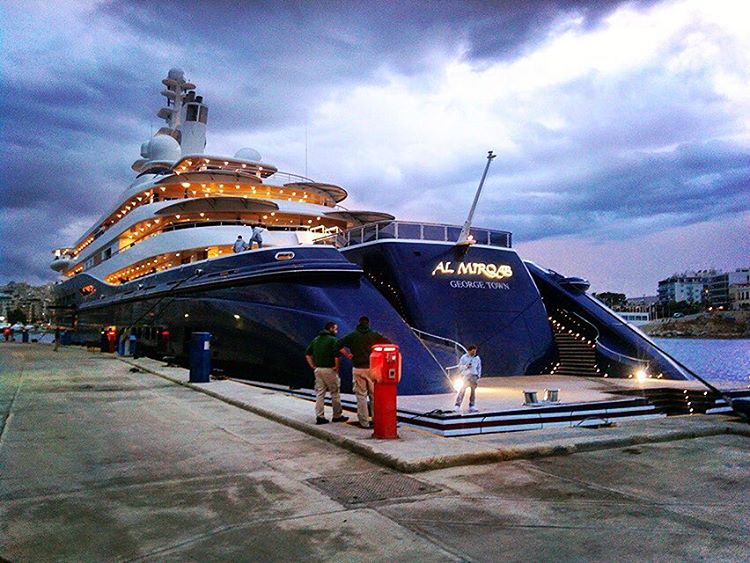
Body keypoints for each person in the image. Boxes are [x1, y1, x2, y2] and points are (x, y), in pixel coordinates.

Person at [337, 316, 389, 428]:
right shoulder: (374, 334)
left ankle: (364, 422)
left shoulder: (352, 335)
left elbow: (337, 344)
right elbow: (388, 343)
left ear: (359, 324)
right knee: (374, 396)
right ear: (368, 324)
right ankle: (377, 420)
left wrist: (347, 354)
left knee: (361, 396)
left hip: (358, 369)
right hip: (371, 369)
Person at [305, 322, 349, 425]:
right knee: (335, 393)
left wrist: (312, 366)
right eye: (335, 329)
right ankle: (337, 415)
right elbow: (337, 355)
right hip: (329, 370)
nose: (336, 331)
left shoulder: (316, 340)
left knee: (320, 393)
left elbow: (307, 354)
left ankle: (320, 417)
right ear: (331, 329)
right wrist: (337, 368)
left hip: (318, 370)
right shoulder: (333, 340)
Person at [454, 345, 482, 413]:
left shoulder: (477, 358)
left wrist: (478, 375)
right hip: (466, 376)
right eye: (473, 352)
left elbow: (479, 367)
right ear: (469, 351)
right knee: (462, 390)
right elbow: (460, 366)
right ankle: (457, 405)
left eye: (475, 352)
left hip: (474, 376)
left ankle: (472, 405)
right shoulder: (464, 357)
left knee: (473, 391)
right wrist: (466, 366)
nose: (474, 353)